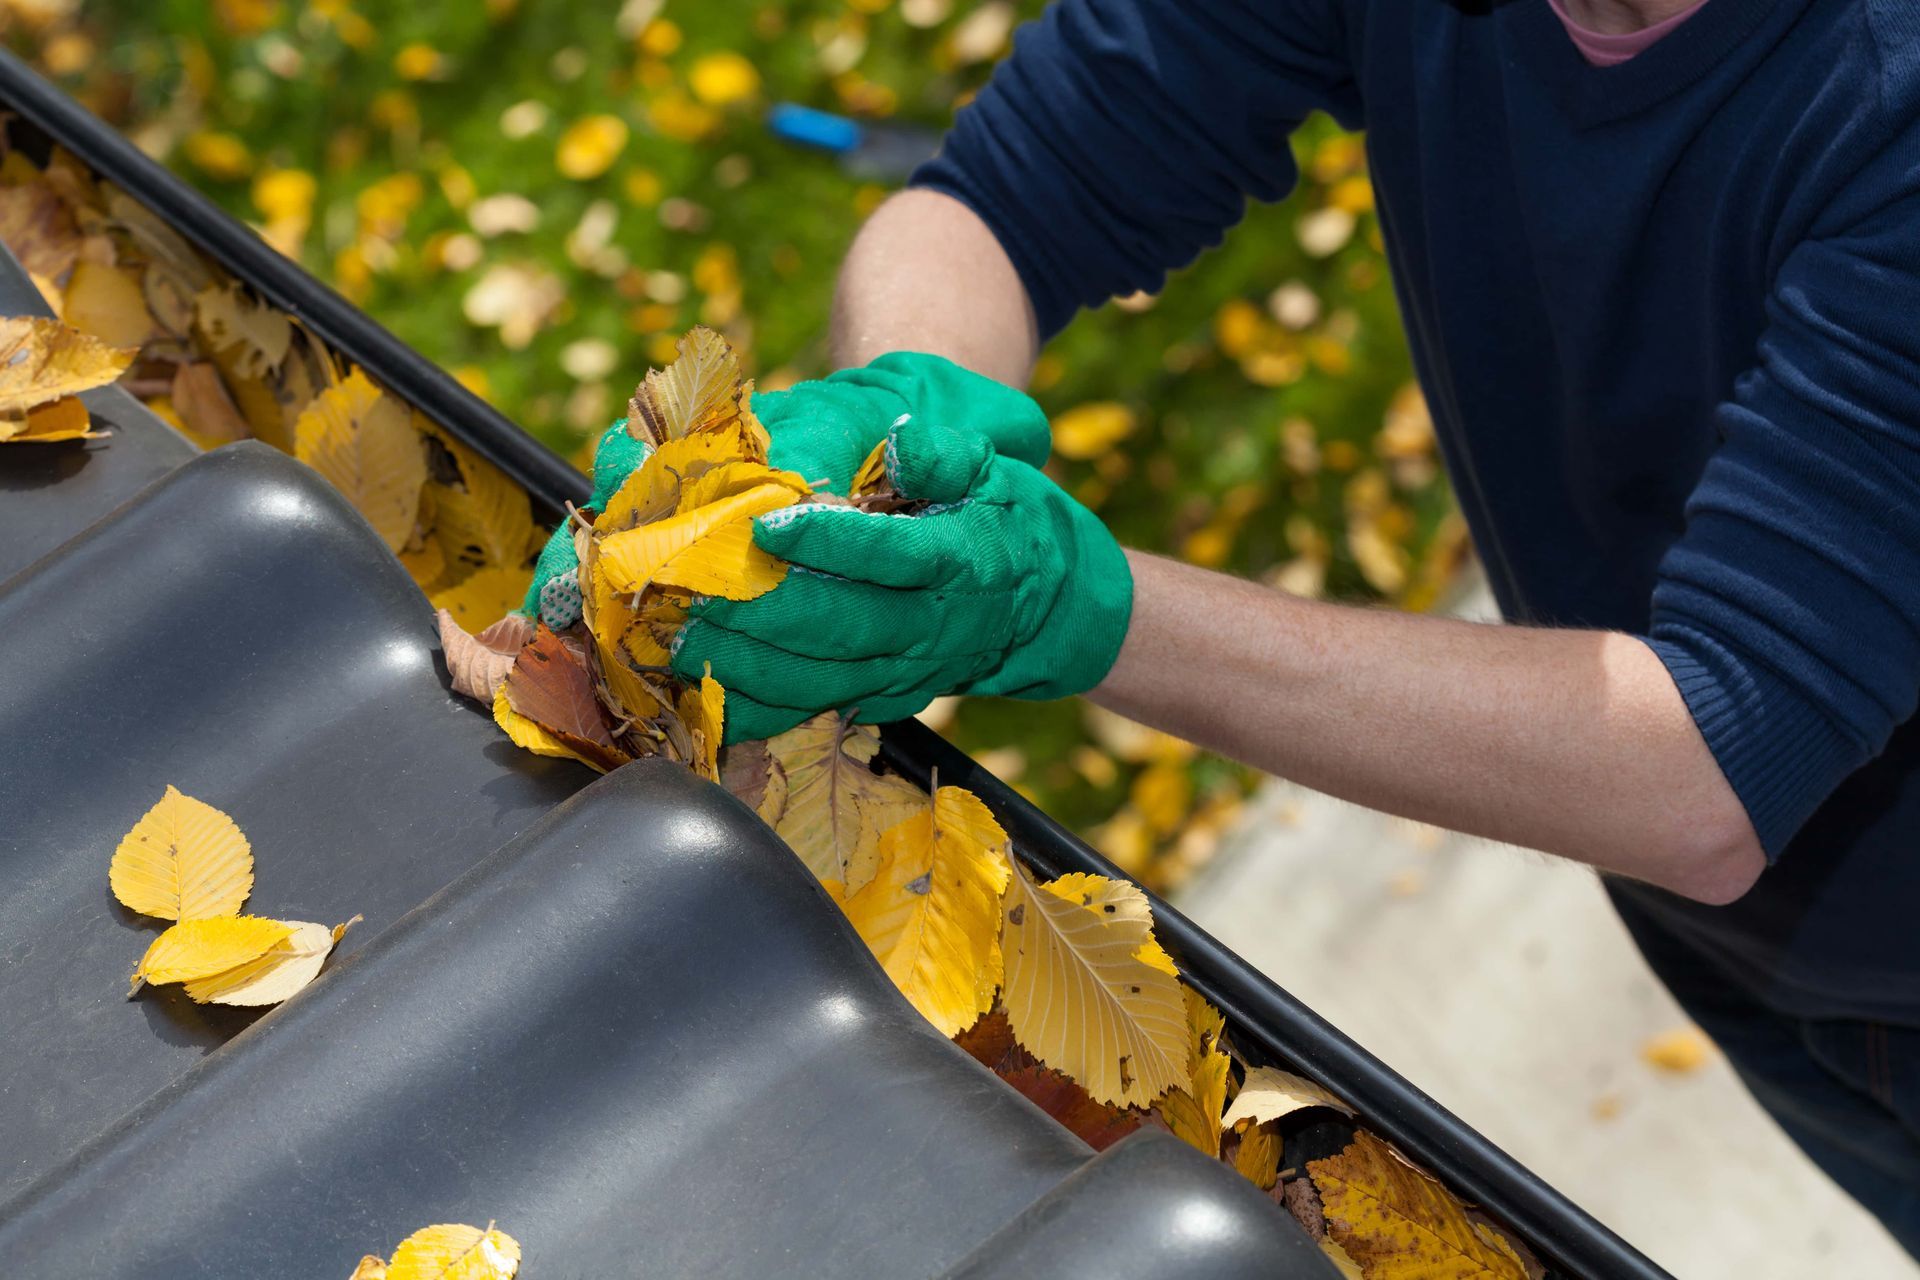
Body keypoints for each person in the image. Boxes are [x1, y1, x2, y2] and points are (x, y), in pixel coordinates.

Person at [531, 0, 1920, 1251]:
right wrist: (906, 415)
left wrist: (1073, 604)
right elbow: (1005, 199)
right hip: (1766, 954)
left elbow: (1706, 756)